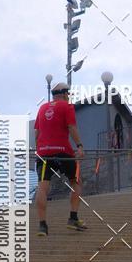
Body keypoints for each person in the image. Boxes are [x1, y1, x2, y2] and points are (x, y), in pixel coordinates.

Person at [34, 82, 86, 236]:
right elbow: (71, 127)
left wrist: (41, 147)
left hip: (43, 153)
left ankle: (43, 226)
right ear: (65, 94)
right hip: (64, 152)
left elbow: (36, 132)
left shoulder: (42, 108)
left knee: (42, 187)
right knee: (76, 181)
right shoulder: (67, 107)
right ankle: (73, 218)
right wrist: (80, 146)